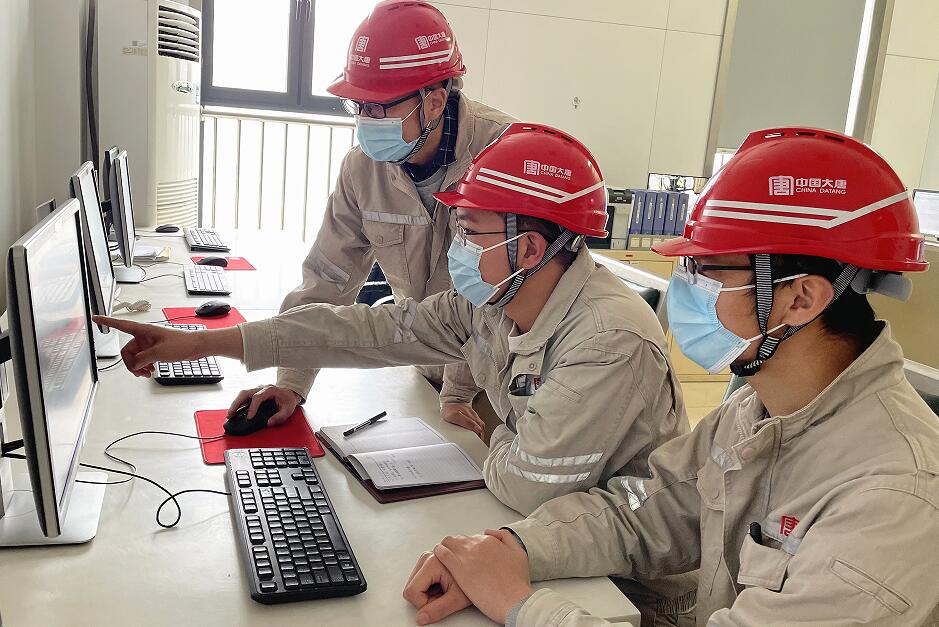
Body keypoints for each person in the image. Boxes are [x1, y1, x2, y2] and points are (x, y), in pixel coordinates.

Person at [96, 123, 693, 616]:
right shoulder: (495, 299)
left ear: (529, 249)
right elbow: (372, 330)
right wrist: (206, 343)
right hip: (543, 536)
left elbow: (526, 484)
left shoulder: (608, 340)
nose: (457, 247)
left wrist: (499, 438)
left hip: (628, 589)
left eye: (470, 233)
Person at [400, 127, 939, 626]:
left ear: (801, 298)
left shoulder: (890, 498)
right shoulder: (754, 411)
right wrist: (510, 549)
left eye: (707, 270)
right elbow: (644, 510)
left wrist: (521, 605)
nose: (685, 288)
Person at [234, 0, 516, 437]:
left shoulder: (505, 156)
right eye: (358, 106)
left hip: (493, 387)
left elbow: (500, 296)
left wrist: (458, 392)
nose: (365, 121)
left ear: (434, 102)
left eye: (377, 107)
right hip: (423, 371)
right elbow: (327, 279)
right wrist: (291, 382)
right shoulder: (362, 169)